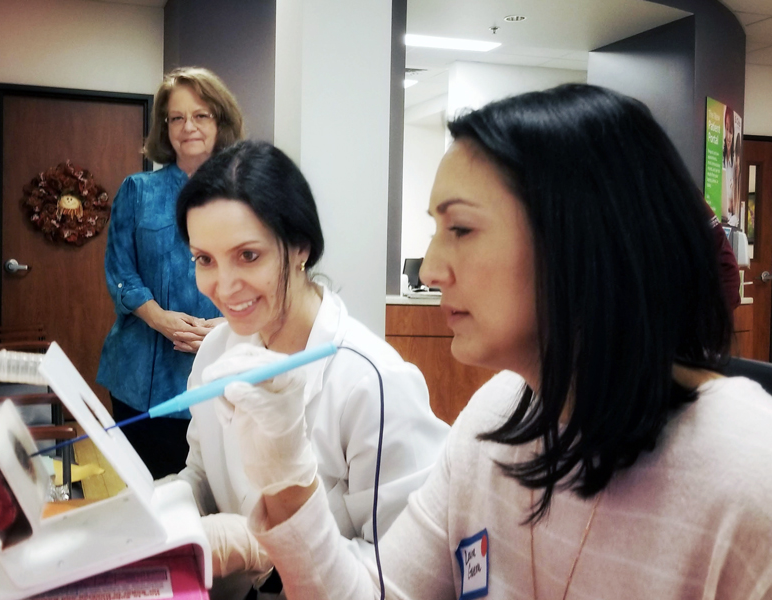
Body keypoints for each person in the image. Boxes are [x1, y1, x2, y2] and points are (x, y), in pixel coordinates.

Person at [209, 85, 772, 599]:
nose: (430, 268)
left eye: (461, 230)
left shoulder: (748, 476)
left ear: (579, 237)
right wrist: (287, 479)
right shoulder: (494, 420)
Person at [173, 140, 449, 599]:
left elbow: (409, 576)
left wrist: (262, 545)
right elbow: (202, 472)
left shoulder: (373, 382)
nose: (222, 286)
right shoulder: (216, 351)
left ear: (299, 246)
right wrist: (157, 510)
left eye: (248, 256)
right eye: (204, 259)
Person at [97, 67, 244, 479]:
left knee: (212, 494)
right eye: (176, 118)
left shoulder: (248, 195)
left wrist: (226, 327)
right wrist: (158, 318)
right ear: (165, 128)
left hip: (221, 369)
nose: (188, 127)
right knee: (146, 490)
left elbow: (266, 275)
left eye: (201, 115)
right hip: (138, 376)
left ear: (221, 121)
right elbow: (120, 269)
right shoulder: (137, 190)